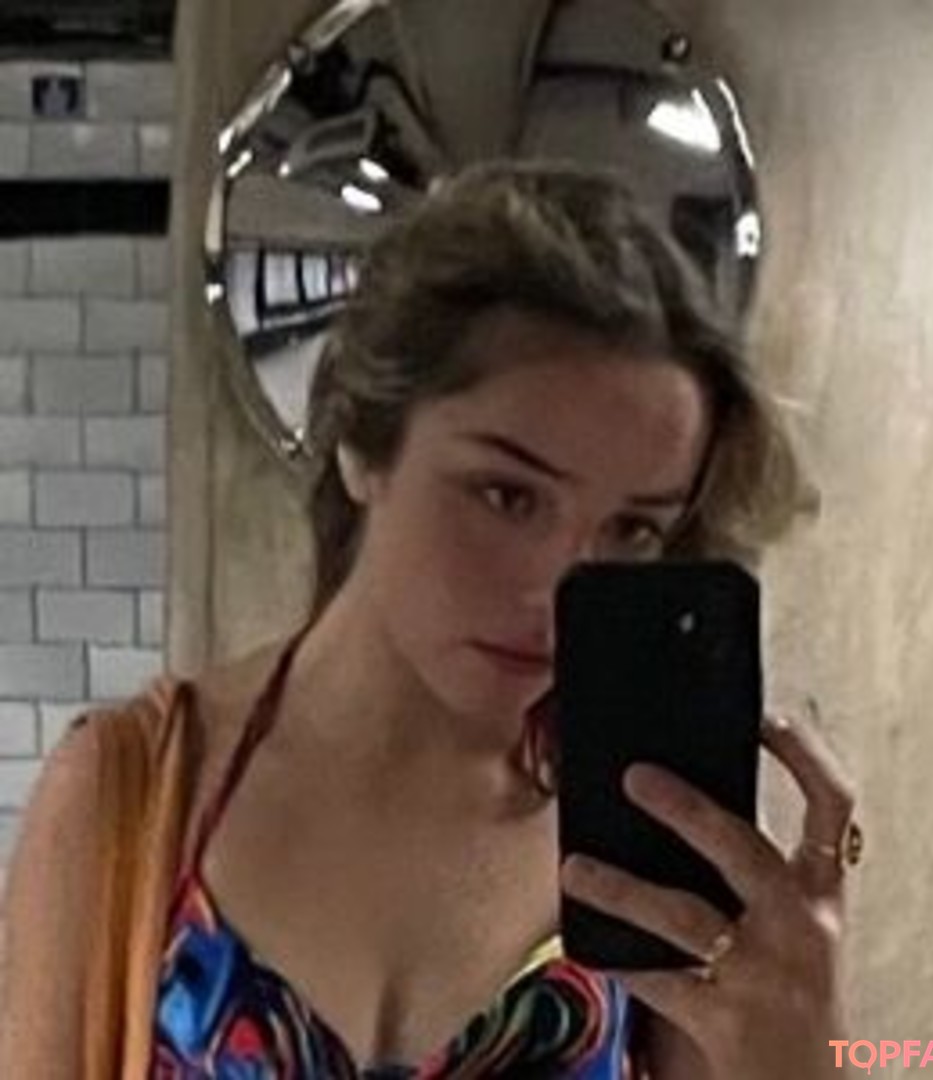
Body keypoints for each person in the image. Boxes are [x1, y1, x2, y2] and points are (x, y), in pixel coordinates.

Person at [0, 161, 860, 1078]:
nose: (558, 590)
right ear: (365, 446)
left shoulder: (645, 834)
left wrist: (804, 1059)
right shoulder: (134, 794)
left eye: (632, 529)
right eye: (506, 495)